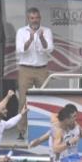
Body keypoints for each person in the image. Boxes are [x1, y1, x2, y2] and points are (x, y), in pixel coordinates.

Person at [15, 8, 54, 138]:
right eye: (32, 18)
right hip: (25, 69)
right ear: (28, 19)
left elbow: (49, 48)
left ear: (40, 18)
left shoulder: (46, 31)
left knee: (44, 99)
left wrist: (41, 38)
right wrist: (30, 39)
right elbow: (20, 50)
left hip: (42, 69)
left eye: (36, 17)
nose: (34, 20)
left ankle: (45, 129)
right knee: (23, 100)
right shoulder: (21, 31)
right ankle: (21, 130)